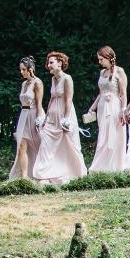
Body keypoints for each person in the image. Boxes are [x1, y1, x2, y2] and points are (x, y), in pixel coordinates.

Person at [33, 51, 88, 185]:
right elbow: (52, 98)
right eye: (48, 63)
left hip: (65, 115)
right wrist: (45, 118)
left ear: (60, 63)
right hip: (52, 116)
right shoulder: (53, 79)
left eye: (51, 62)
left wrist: (66, 119)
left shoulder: (67, 78)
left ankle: (75, 173)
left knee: (69, 144)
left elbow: (68, 99)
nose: (49, 65)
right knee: (46, 142)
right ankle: (44, 174)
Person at [86, 46, 128, 173]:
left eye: (101, 59)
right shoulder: (102, 73)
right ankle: (102, 165)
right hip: (102, 107)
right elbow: (101, 93)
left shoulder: (119, 71)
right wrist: (92, 108)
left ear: (109, 58)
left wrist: (123, 110)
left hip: (114, 106)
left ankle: (113, 166)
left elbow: (123, 93)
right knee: (103, 135)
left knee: (113, 135)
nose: (99, 62)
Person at [9, 56, 44, 180]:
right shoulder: (24, 84)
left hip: (34, 114)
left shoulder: (37, 82)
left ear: (31, 69)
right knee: (22, 145)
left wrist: (39, 119)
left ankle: (41, 173)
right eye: (21, 69)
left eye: (24, 69)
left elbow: (39, 102)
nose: (22, 72)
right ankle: (24, 177)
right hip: (24, 115)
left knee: (39, 145)